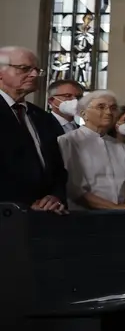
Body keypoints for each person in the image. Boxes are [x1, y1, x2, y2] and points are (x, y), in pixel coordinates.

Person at [0, 47, 68, 212]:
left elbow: (57, 169)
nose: (34, 75)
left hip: (44, 218)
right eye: (24, 69)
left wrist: (55, 197)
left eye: (37, 70)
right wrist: (22, 206)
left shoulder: (41, 117)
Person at [57, 90, 125, 212]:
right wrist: (116, 208)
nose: (109, 112)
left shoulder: (122, 147)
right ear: (84, 114)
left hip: (122, 216)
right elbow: (75, 190)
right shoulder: (68, 141)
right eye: (101, 107)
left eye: (113, 108)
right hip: (84, 216)